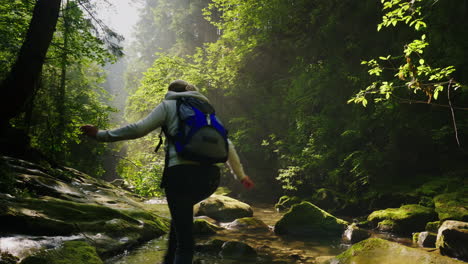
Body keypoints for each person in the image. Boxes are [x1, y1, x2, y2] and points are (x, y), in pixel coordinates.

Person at [80, 79, 254, 264]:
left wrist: (101, 135)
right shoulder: (207, 110)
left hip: (180, 176)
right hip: (210, 179)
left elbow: (139, 129)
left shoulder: (169, 104)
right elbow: (228, 145)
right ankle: (168, 260)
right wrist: (241, 175)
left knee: (185, 242)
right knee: (181, 220)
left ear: (171, 92)